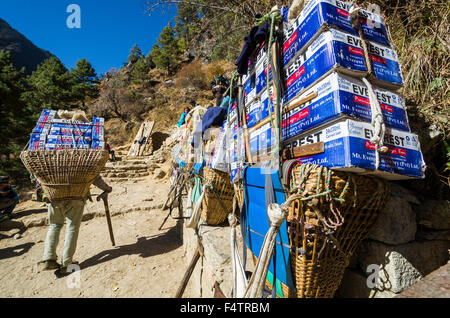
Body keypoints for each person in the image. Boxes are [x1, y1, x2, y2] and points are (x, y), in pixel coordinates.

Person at [39, 175, 112, 275]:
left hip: (53, 195)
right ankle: (67, 263)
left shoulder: (50, 160)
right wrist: (106, 188)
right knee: (72, 228)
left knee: (54, 225)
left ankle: (48, 258)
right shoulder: (80, 159)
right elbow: (94, 176)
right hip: (76, 197)